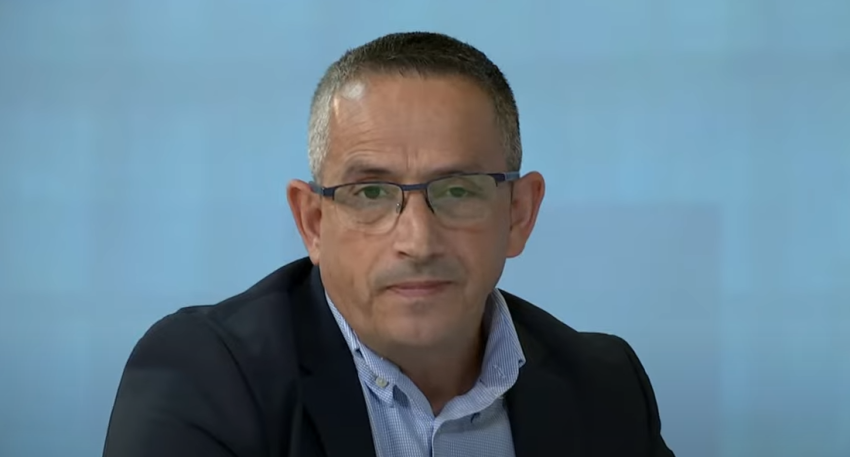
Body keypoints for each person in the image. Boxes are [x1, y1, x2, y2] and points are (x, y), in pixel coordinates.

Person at [102, 32, 676, 457]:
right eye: (371, 193)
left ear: (519, 214)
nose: (417, 241)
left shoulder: (605, 386)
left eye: (457, 190)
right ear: (313, 222)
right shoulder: (208, 376)